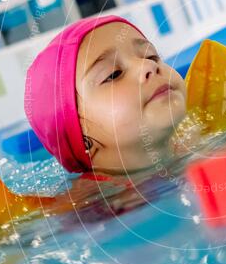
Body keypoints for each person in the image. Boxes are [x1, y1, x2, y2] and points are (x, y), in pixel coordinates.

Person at [24, 15, 195, 213]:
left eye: (150, 55)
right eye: (113, 74)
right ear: (83, 138)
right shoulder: (88, 201)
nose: (149, 66)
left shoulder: (195, 139)